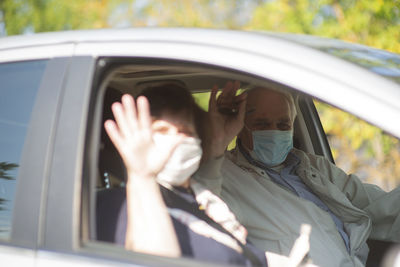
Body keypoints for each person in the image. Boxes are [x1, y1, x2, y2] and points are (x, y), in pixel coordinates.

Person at [104, 83, 314, 266]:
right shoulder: (121, 207)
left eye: (186, 131)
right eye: (162, 131)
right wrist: (142, 176)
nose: (177, 140)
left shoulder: (196, 196)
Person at [194, 81, 400, 267]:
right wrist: (216, 143)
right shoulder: (223, 174)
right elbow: (204, 209)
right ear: (240, 127)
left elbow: (374, 203)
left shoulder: (312, 166)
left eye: (283, 125)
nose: (274, 132)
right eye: (262, 125)